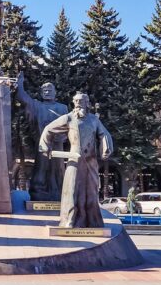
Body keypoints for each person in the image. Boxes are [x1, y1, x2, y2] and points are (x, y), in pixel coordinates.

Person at [39, 92, 113, 229]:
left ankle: (93, 221)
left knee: (91, 190)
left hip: (91, 161)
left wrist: (105, 147)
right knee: (72, 189)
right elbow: (48, 129)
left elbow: (104, 133)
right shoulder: (68, 118)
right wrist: (44, 146)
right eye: (76, 101)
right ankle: (70, 220)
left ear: (87, 102)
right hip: (74, 159)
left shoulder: (94, 120)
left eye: (81, 101)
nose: (78, 103)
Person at [15, 72, 70, 202]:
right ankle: (39, 192)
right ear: (41, 93)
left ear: (55, 92)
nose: (47, 92)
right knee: (42, 168)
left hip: (58, 144)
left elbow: (70, 126)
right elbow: (23, 98)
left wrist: (63, 137)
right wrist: (20, 84)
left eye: (50, 90)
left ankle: (60, 193)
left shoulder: (62, 108)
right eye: (44, 90)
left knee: (58, 170)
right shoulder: (37, 106)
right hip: (43, 145)